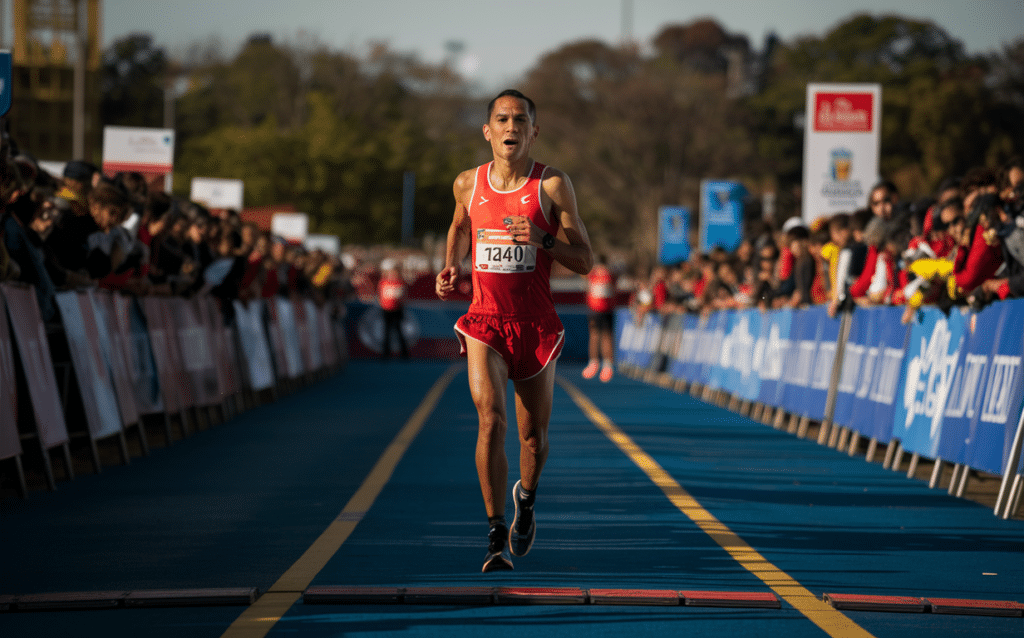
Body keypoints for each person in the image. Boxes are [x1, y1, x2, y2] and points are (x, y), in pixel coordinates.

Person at [435, 89, 594, 572]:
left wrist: (543, 239)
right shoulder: (468, 182)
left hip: (536, 325)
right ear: (488, 131)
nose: (510, 127)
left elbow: (585, 260)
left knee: (532, 439)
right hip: (484, 321)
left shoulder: (552, 186)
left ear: (532, 131)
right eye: (501, 119)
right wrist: (450, 266)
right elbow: (461, 225)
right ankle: (493, 533)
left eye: (520, 120)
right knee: (491, 420)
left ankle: (526, 500)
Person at [582, 254, 615, 382]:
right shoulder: (592, 273)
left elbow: (613, 285)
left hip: (605, 309)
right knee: (595, 335)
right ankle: (594, 362)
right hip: (594, 310)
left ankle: (607, 364)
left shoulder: (609, 274)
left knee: (606, 336)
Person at [377, 258, 409, 359]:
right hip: (386, 310)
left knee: (399, 332)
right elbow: (380, 296)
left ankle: (404, 354)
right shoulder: (383, 282)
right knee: (387, 333)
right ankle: (386, 354)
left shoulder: (400, 282)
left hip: (397, 310)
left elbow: (403, 297)